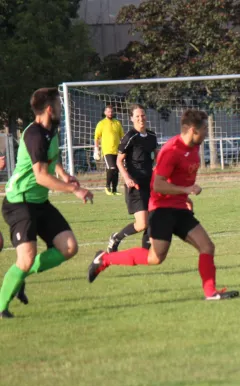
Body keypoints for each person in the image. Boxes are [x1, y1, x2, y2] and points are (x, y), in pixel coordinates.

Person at [88, 109, 239, 301]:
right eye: (204, 129)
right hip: (162, 210)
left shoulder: (193, 148)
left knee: (207, 246)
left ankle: (211, 293)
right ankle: (104, 259)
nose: (207, 133)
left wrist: (186, 197)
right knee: (154, 258)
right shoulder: (172, 150)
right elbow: (158, 184)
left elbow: (178, 179)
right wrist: (186, 190)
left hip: (180, 209)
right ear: (193, 130)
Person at [0, 88, 94, 319]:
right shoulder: (34, 135)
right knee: (26, 259)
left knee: (69, 247)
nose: (62, 109)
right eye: (59, 105)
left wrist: (64, 175)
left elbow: (53, 159)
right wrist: (75, 189)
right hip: (19, 202)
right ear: (50, 109)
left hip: (39, 202)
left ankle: (20, 275)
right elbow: (41, 175)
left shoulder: (53, 130)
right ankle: (1, 306)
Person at [106, 104, 157, 253]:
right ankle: (116, 238)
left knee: (153, 220)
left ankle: (145, 254)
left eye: (143, 115)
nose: (141, 119)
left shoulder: (152, 136)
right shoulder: (130, 137)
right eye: (137, 116)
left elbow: (156, 155)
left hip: (150, 184)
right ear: (132, 119)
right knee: (142, 224)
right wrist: (127, 178)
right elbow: (118, 161)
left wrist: (159, 168)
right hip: (135, 185)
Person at [94, 104, 125, 195]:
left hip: (117, 150)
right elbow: (96, 137)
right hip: (107, 151)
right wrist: (96, 150)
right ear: (105, 112)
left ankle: (114, 190)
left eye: (111, 111)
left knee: (116, 170)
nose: (110, 113)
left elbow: (122, 137)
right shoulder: (101, 123)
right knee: (112, 168)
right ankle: (107, 187)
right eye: (108, 111)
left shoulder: (117, 123)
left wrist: (124, 148)